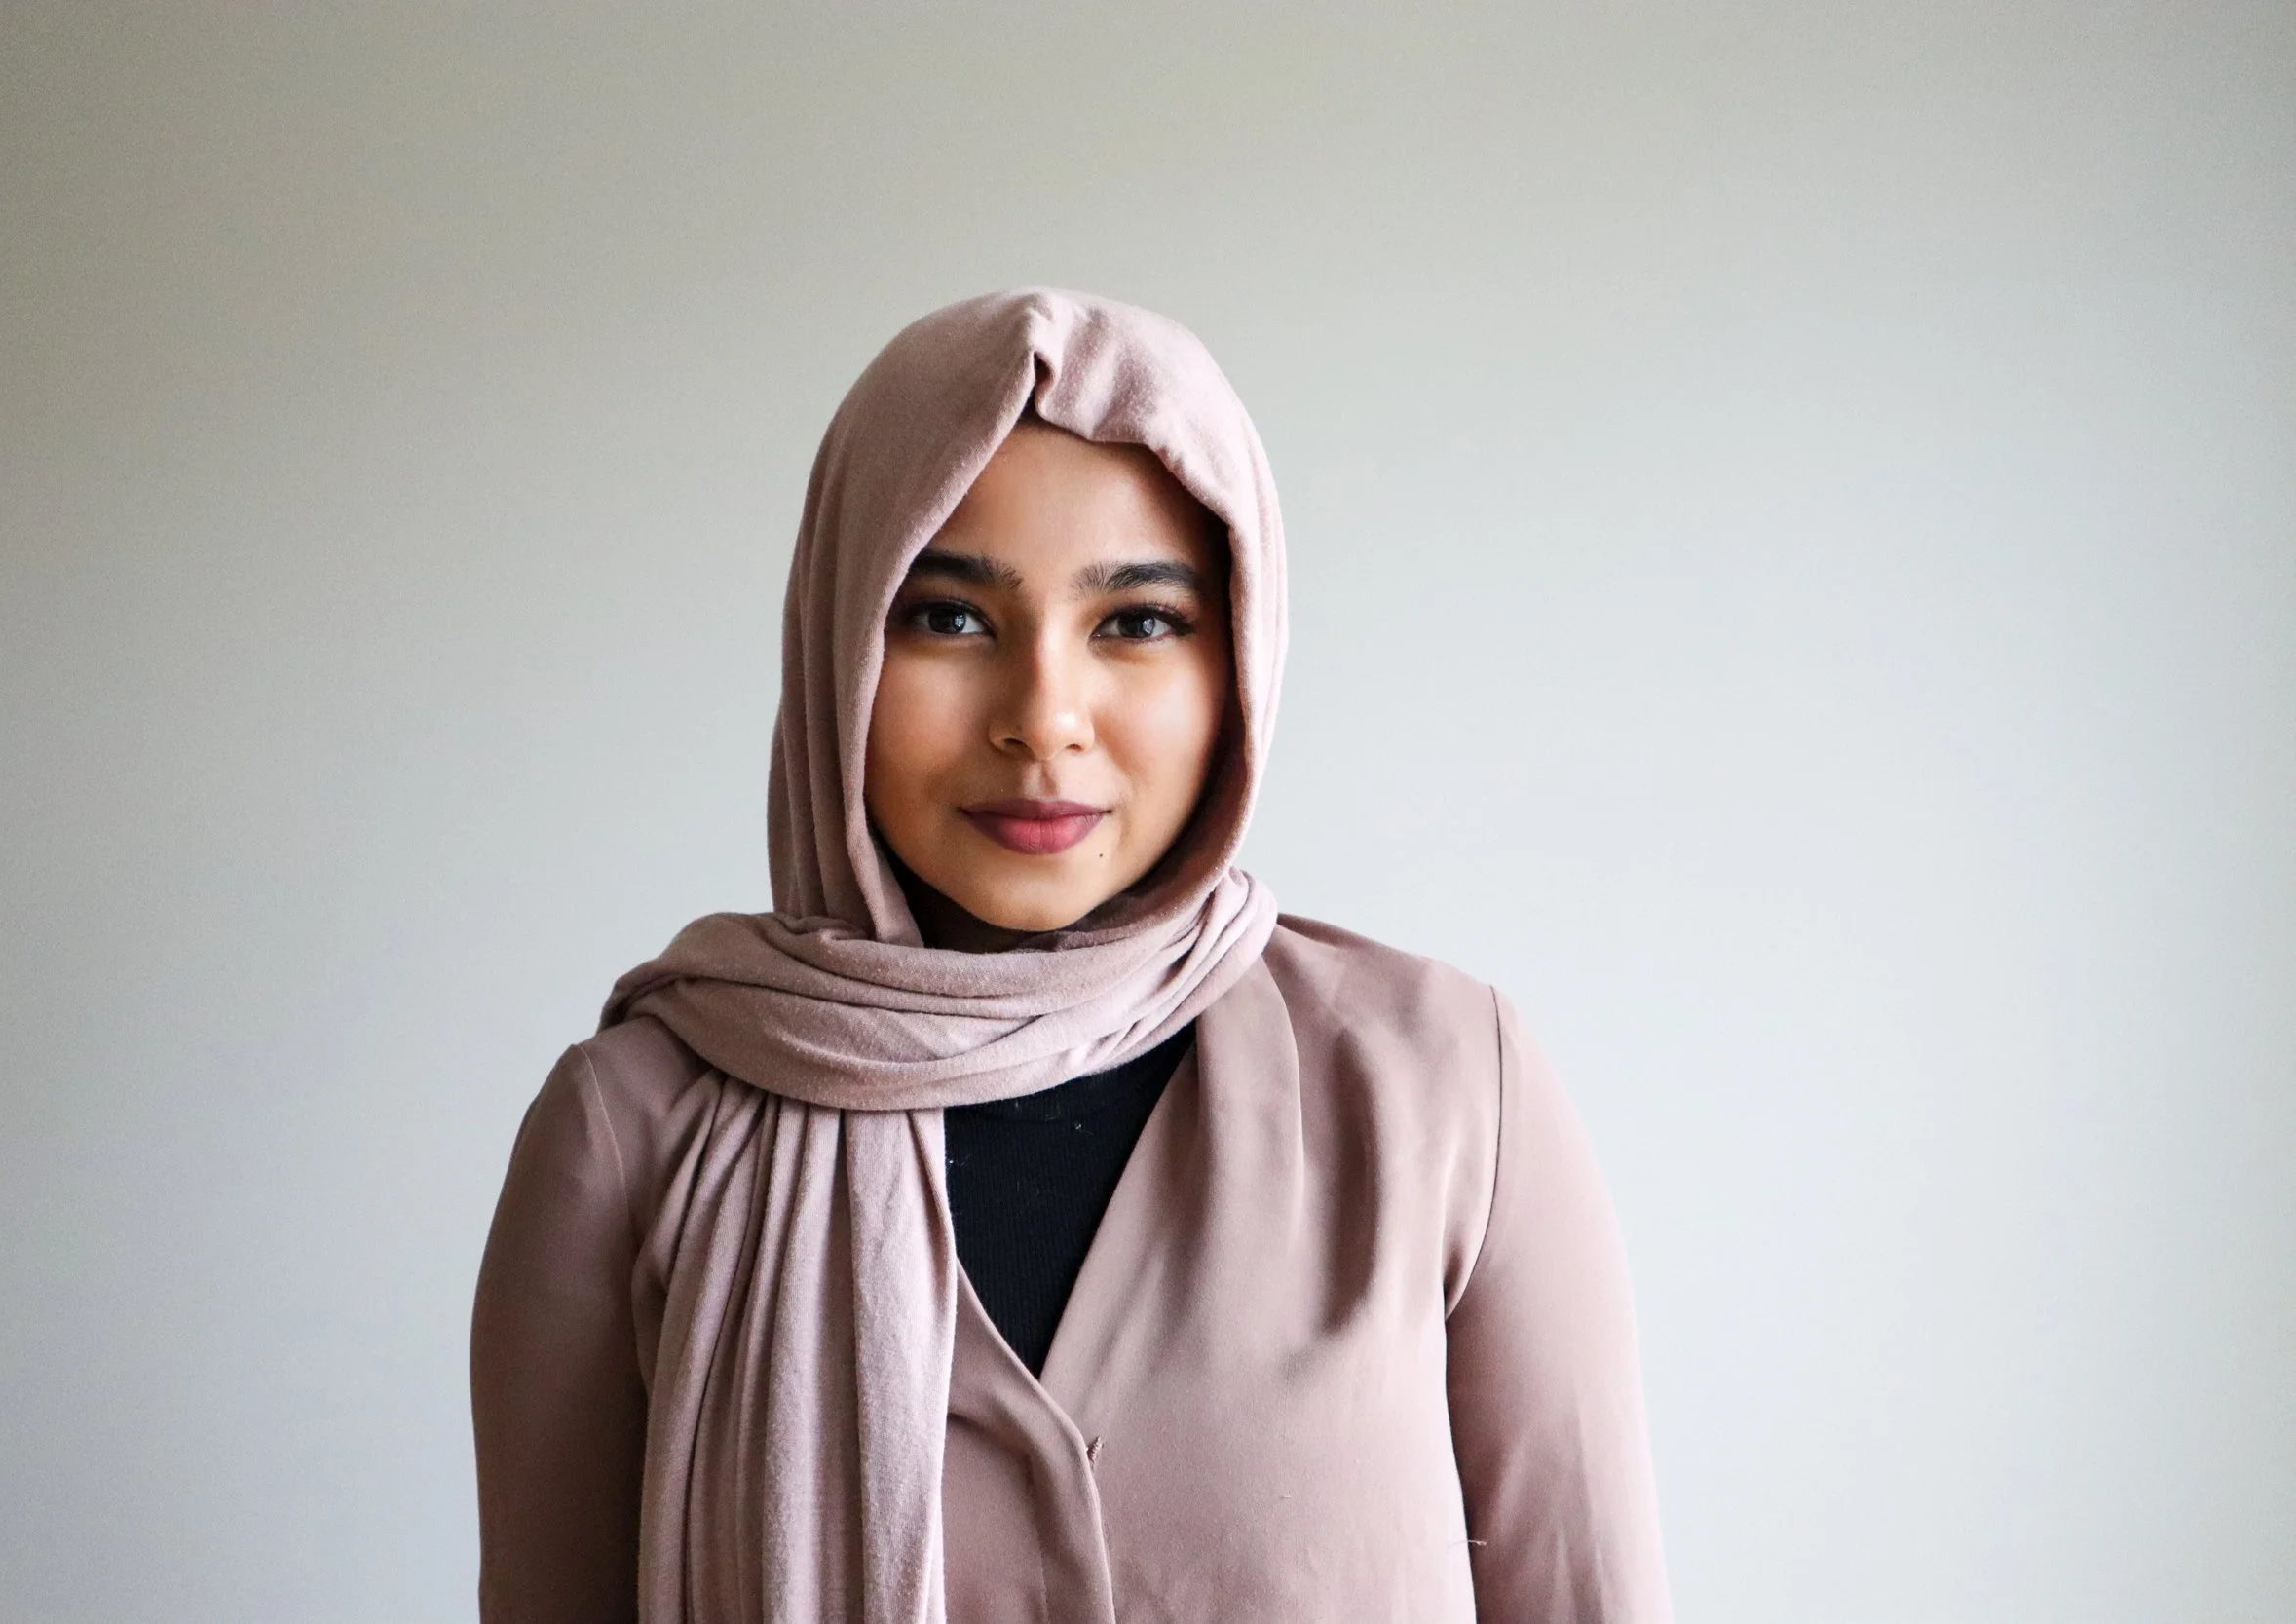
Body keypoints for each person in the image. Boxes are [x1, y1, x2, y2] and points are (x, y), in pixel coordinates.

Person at [470, 288, 1673, 1623]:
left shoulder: (1445, 1088)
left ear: (1240, 660)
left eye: (1138, 621)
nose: (1044, 719)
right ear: (837, 642)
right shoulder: (635, 1136)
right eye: (949, 617)